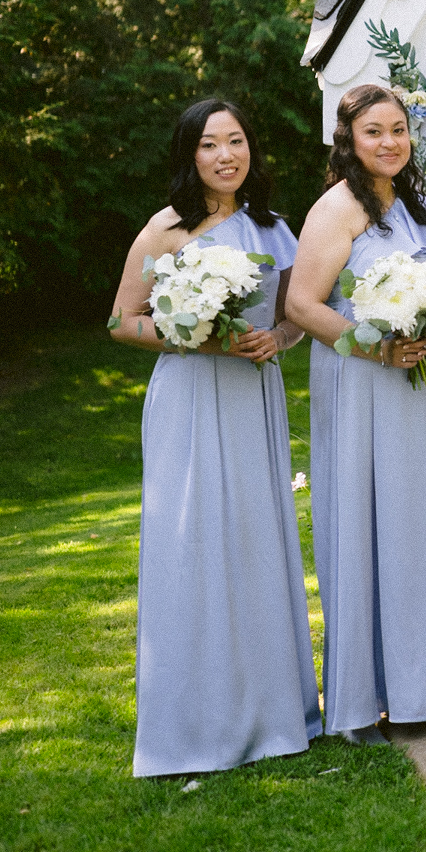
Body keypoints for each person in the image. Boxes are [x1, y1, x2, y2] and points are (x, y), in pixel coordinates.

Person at [109, 99, 318, 777]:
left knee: (255, 541)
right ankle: (194, 719)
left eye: (235, 142)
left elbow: (291, 321)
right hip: (192, 400)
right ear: (189, 155)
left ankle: (273, 710)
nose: (226, 155)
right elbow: (121, 322)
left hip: (253, 398)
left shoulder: (274, 230)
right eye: (209, 144)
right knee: (193, 542)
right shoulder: (165, 231)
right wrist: (197, 337)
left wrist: (273, 340)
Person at [286, 83, 426, 744]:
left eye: (398, 130)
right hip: (364, 381)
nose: (389, 142)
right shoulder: (336, 209)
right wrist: (379, 345)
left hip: (420, 382)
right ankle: (368, 695)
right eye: (374, 132)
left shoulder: (421, 205)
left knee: (423, 522)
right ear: (349, 140)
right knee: (371, 520)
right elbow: (303, 305)